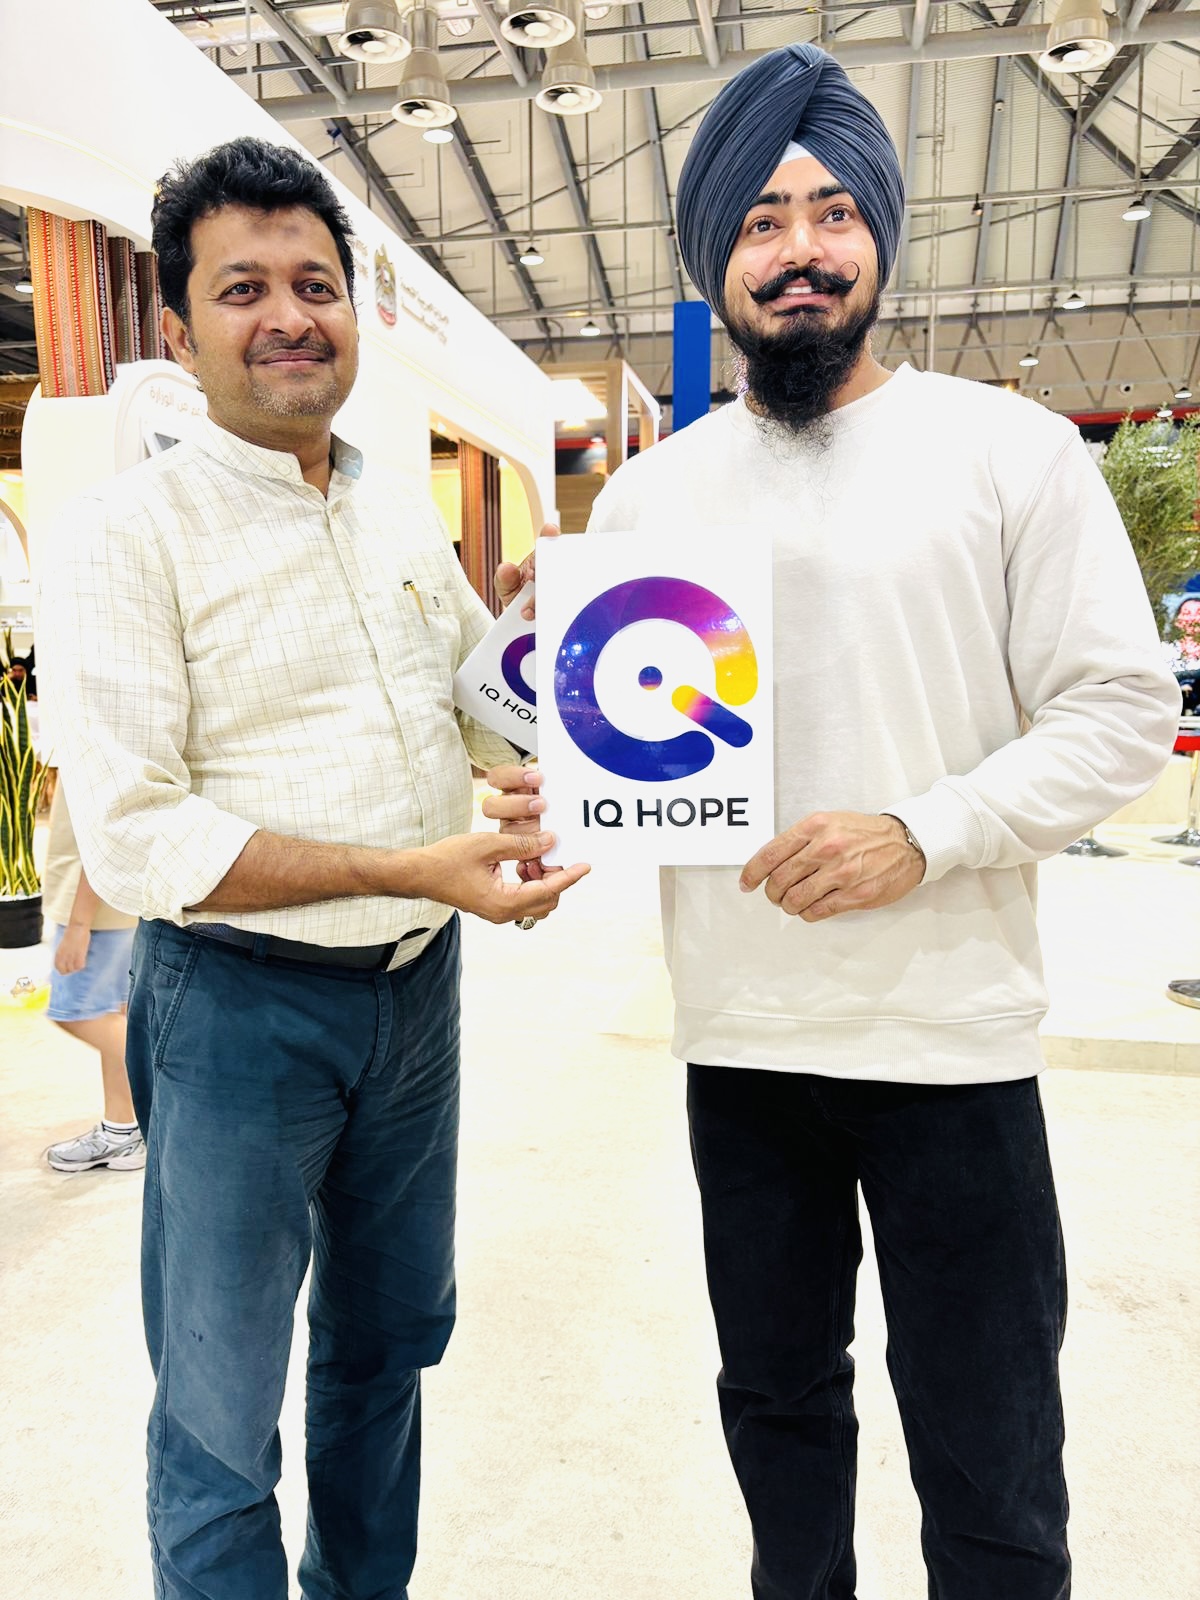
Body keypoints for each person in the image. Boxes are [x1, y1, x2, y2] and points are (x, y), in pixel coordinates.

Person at [485, 42, 1179, 1600]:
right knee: (781, 1427)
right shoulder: (649, 499)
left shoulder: (1005, 451)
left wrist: (925, 830)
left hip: (951, 1041)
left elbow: (1120, 710)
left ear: (877, 235)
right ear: (714, 259)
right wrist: (564, 750)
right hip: (745, 1044)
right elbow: (647, 762)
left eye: (831, 213)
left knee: (991, 1452)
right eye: (759, 222)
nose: (799, 250)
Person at [37, 137, 586, 1600]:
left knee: (387, 1346)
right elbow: (141, 835)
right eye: (243, 289)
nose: (288, 315)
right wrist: (417, 864)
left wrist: (543, 631)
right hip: (236, 1014)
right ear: (178, 331)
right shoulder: (124, 536)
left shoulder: (395, 499)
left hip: (416, 999)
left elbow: (480, 717)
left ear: (353, 309)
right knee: (220, 1408)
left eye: (315, 284)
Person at [42, 783, 143, 1172]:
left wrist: (80, 924)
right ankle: (122, 1131)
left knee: (76, 1013)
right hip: (107, 904)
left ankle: (183, 1097)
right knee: (113, 1013)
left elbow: (103, 832)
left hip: (93, 910)